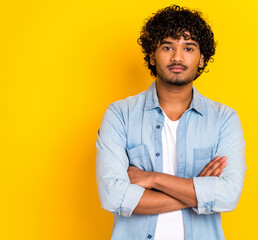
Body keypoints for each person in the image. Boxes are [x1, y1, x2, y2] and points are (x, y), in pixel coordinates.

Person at [96, 5, 247, 240]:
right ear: (151, 55)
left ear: (201, 59)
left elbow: (228, 196)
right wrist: (199, 192)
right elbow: (113, 196)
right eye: (167, 47)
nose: (177, 57)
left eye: (188, 48)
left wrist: (151, 179)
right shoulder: (120, 114)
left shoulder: (224, 119)